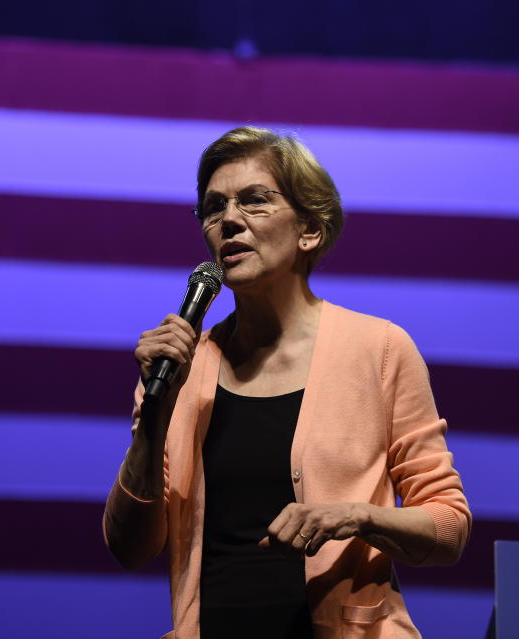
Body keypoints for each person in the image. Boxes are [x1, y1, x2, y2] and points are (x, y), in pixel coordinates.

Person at [103, 126, 471, 638]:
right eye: (214, 207)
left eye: (255, 201)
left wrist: (356, 517)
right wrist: (154, 421)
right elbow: (130, 547)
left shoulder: (380, 350)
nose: (229, 220)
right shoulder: (179, 367)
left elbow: (448, 528)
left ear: (309, 231)